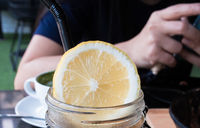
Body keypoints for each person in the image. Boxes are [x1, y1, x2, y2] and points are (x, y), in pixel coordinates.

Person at [14, 0, 200, 90]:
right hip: (94, 124)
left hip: (171, 123)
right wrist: (128, 52)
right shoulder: (81, 4)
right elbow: (24, 77)